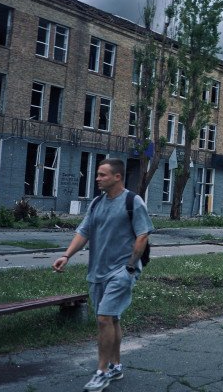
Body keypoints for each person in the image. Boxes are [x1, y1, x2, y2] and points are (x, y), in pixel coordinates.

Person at [52, 158, 153, 392]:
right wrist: (66, 255)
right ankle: (116, 365)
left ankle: (102, 371)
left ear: (117, 177)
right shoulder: (97, 203)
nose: (97, 178)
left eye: (102, 175)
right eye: (97, 174)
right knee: (112, 318)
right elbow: (84, 232)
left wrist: (130, 267)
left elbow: (142, 236)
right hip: (98, 270)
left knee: (103, 319)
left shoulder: (133, 201)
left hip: (122, 270)